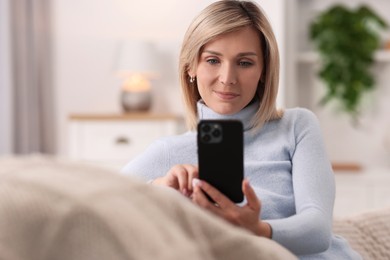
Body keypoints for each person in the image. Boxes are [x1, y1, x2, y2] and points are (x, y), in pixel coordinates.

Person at [122, 1, 361, 259]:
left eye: (245, 63)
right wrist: (158, 189)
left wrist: (256, 229)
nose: (227, 78)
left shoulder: (297, 126)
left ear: (263, 71)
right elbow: (98, 204)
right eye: (213, 60)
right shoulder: (168, 153)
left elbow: (318, 231)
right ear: (191, 66)